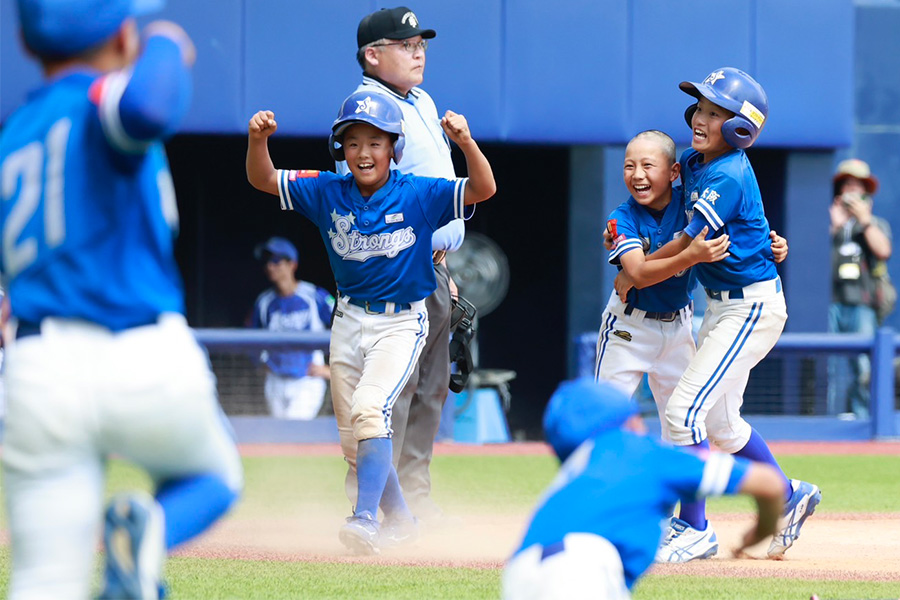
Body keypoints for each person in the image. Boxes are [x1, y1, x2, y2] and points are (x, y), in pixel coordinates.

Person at [0, 1, 244, 598]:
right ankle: (150, 531)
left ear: (30, 46)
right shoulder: (102, 97)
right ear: (120, 34)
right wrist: (165, 45)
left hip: (37, 371)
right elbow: (147, 106)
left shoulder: (14, 135)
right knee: (214, 478)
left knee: (42, 580)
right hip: (140, 352)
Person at [246, 90, 496, 554]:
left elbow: (483, 189)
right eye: (354, 142)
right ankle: (401, 519)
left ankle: (364, 519)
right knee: (353, 442)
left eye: (376, 142)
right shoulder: (326, 189)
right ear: (340, 149)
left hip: (401, 323)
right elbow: (263, 179)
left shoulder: (418, 192)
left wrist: (465, 143)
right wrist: (258, 140)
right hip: (348, 319)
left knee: (369, 409)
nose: (364, 152)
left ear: (393, 149)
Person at [616, 68, 820, 563]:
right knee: (723, 427)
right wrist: (624, 235)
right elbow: (682, 199)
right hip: (724, 305)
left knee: (683, 412)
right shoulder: (698, 161)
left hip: (750, 307)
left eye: (715, 112)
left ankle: (694, 529)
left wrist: (637, 268)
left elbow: (687, 244)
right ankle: (790, 496)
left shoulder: (726, 173)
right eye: (701, 108)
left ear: (741, 126)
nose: (701, 118)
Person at [338, 6, 466, 522]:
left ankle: (414, 496)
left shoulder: (422, 100)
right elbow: (358, 198)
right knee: (392, 393)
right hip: (398, 270)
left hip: (434, 266)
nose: (419, 52)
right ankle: (373, 503)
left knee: (431, 390)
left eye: (422, 45)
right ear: (373, 54)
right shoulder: (368, 108)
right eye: (406, 45)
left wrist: (445, 267)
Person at [501, 378, 785, 600]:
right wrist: (758, 534)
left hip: (519, 575)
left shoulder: (570, 478)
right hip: (582, 570)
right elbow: (769, 484)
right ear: (627, 420)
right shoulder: (641, 451)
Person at [597, 130, 788, 444]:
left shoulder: (689, 206)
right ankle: (597, 492)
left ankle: (680, 494)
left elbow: (741, 225)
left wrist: (772, 244)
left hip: (678, 328)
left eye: (648, 166)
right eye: (629, 166)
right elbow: (639, 273)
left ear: (674, 173)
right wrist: (689, 256)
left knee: (681, 424)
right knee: (602, 422)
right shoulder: (621, 218)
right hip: (628, 329)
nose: (638, 175)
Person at [828, 158, 892, 419]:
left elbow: (883, 250)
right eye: (847, 186)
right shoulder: (829, 222)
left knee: (863, 365)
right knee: (828, 364)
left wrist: (864, 221)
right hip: (830, 301)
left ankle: (862, 417)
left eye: (858, 188)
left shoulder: (874, 224)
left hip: (863, 302)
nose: (852, 192)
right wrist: (836, 225)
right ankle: (828, 417)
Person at [250, 236, 335, 420]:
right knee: (280, 440)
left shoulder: (315, 296)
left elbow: (345, 329)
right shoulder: (264, 302)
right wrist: (262, 364)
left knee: (294, 430)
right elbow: (251, 340)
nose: (270, 266)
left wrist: (332, 370)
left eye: (276, 261)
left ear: (292, 264)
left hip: (307, 379)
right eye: (267, 262)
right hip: (275, 380)